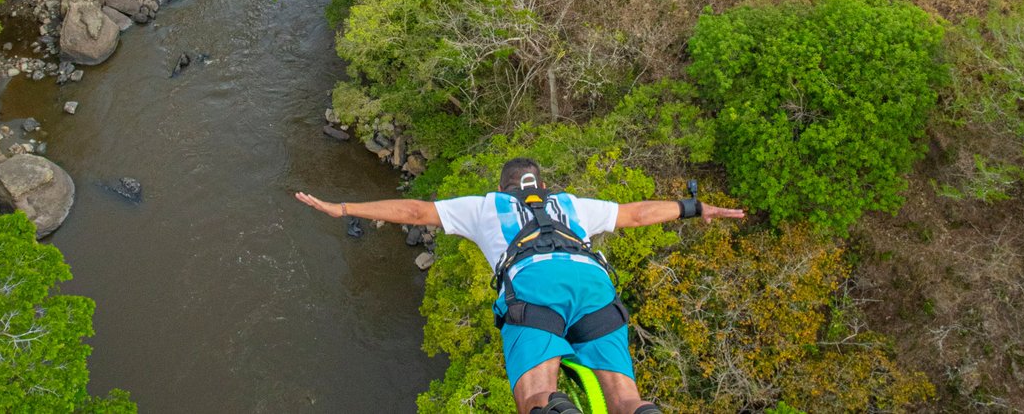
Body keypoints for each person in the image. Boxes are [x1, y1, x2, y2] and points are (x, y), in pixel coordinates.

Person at [295, 156, 745, 414]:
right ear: (542, 186)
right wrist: (695, 207)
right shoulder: (572, 204)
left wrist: (344, 207)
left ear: (503, 186)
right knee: (626, 397)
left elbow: (415, 212)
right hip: (593, 284)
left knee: (535, 395)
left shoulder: (483, 205)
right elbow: (637, 215)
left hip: (535, 287)